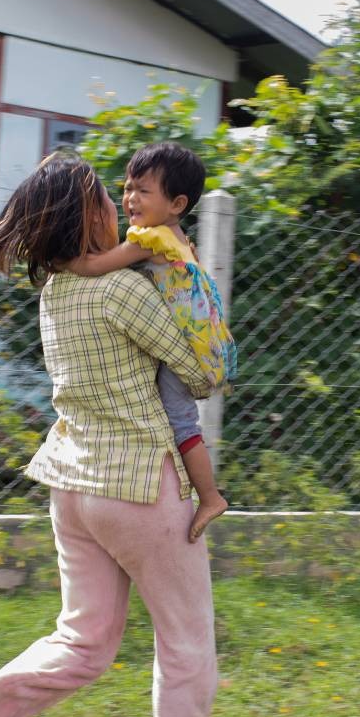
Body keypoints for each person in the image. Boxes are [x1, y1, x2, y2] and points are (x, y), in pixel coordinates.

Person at [0, 153, 237, 717]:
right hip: (141, 484)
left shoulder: (56, 290)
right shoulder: (125, 290)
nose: (118, 202)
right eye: (105, 196)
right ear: (85, 215)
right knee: (185, 636)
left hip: (72, 484)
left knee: (83, 638)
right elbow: (201, 373)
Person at [66, 141, 236, 544]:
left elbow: (96, 265)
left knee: (181, 422)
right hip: (200, 341)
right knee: (178, 419)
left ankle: (210, 497)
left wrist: (64, 260)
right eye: (127, 188)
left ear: (177, 203)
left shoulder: (149, 239)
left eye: (143, 190)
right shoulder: (175, 237)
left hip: (187, 352)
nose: (129, 198)